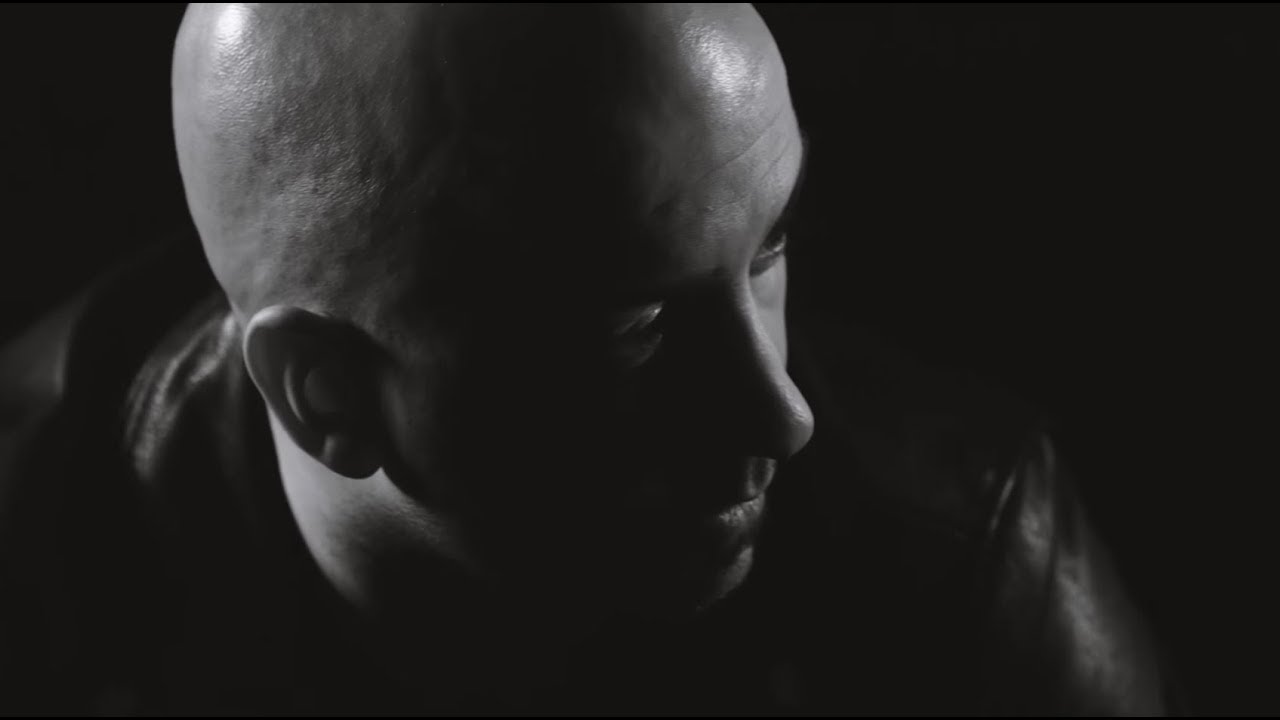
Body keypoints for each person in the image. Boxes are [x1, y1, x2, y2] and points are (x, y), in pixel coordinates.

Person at [0, 3, 1175, 714]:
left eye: (768, 245)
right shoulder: (37, 581)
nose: (780, 416)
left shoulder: (960, 556)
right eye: (634, 328)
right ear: (328, 395)